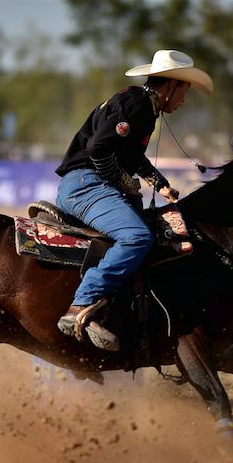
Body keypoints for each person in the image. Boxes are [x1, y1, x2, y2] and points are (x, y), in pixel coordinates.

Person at [54, 49, 213, 351]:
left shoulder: (142, 106)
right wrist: (125, 182)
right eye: (185, 92)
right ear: (171, 86)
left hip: (86, 183)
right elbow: (99, 148)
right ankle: (81, 302)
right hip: (87, 184)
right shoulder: (137, 104)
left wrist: (159, 183)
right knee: (137, 237)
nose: (184, 101)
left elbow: (130, 155)